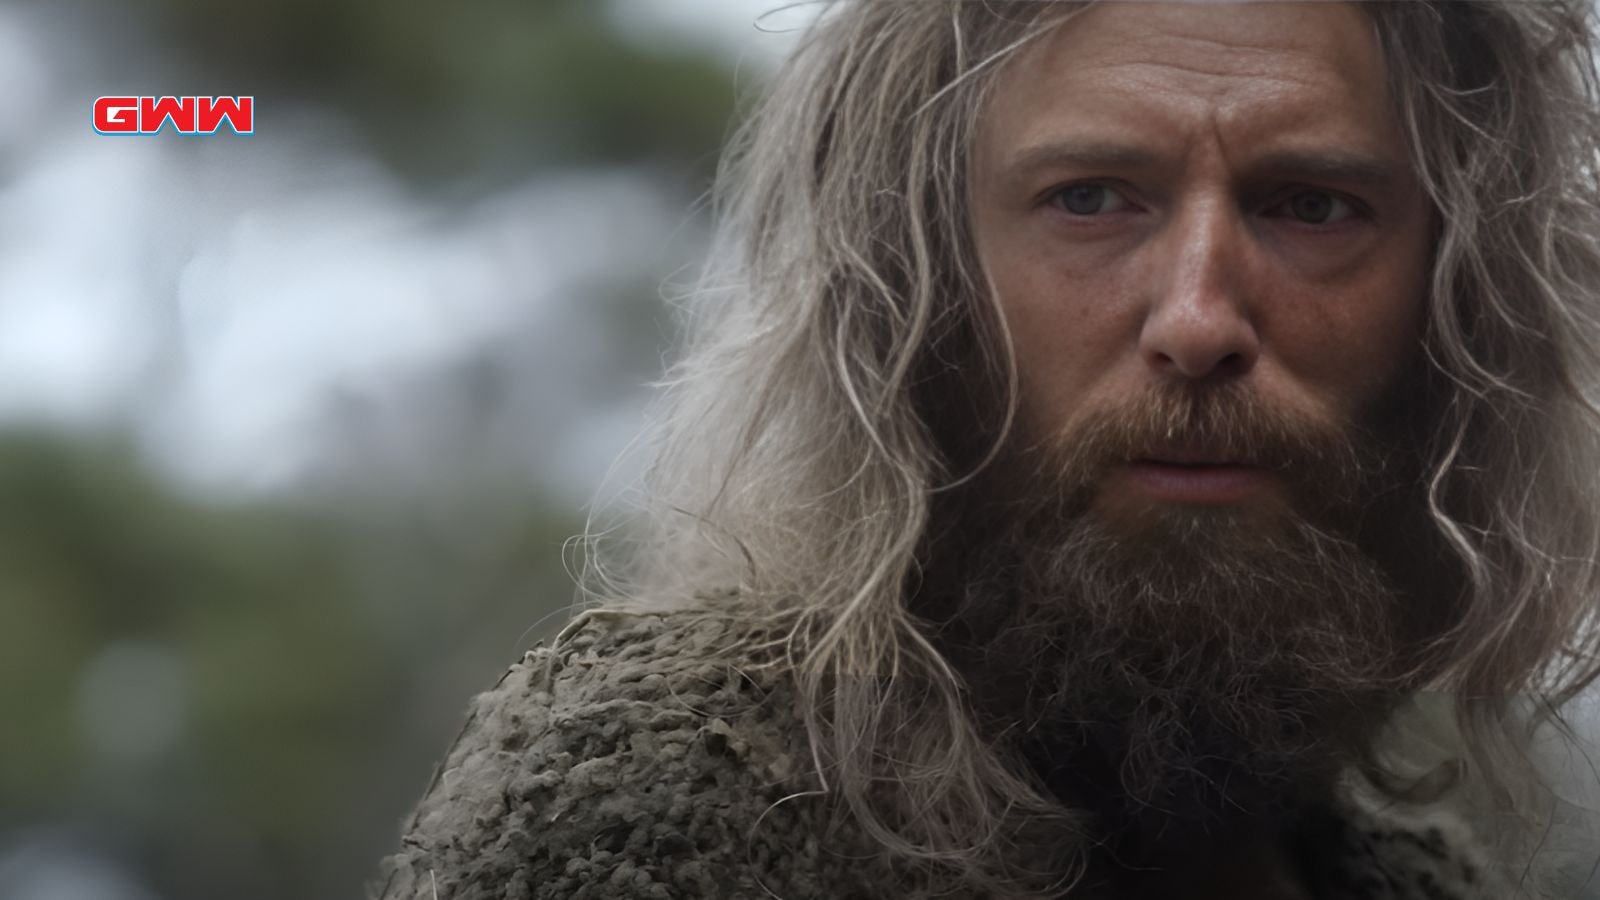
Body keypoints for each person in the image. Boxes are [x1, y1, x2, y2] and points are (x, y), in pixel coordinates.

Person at [371, 2, 1600, 897]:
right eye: (1090, 198)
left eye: (1313, 207)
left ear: (1457, 307)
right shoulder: (670, 790)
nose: (1195, 321)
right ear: (922, 291)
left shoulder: (1409, 882)